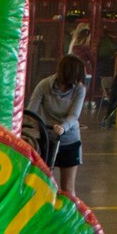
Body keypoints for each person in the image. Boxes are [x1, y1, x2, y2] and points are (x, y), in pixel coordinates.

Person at [24, 54, 86, 198]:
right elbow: (31, 111)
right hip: (47, 139)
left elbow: (74, 115)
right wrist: (34, 126)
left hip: (69, 138)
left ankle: (69, 219)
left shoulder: (79, 89)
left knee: (68, 189)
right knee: (42, 185)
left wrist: (63, 127)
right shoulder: (44, 85)